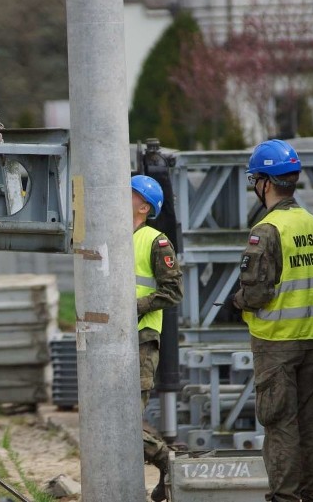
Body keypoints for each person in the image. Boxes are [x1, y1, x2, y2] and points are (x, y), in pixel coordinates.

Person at [225, 139, 313, 502]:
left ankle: (285, 498)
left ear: (266, 183)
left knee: (280, 425)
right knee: (309, 426)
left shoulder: (267, 231)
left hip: (276, 344)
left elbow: (256, 294)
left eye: (256, 179)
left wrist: (235, 302)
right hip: (312, 341)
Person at [130, 175, 183, 502]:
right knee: (115, 419)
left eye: (130, 194)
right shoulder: (114, 235)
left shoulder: (155, 241)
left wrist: (136, 307)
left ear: (144, 207)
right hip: (112, 340)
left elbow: (173, 291)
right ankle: (165, 463)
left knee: (125, 423)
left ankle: (168, 462)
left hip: (141, 339)